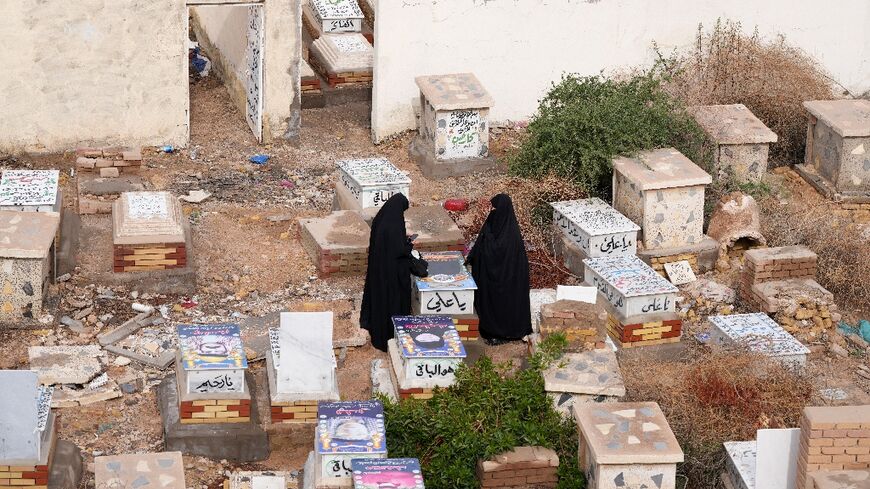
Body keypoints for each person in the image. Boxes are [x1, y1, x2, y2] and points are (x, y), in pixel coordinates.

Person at [360, 193, 426, 352]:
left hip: (378, 269)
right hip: (392, 273)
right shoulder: (395, 224)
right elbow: (399, 250)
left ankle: (378, 332)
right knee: (393, 302)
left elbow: (387, 242)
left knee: (380, 300)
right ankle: (389, 337)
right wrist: (410, 244)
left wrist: (402, 238)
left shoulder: (381, 219)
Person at [466, 194, 532, 345]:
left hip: (506, 281)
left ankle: (503, 332)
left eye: (495, 208)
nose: (493, 211)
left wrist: (486, 238)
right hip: (494, 280)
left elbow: (496, 253)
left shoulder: (510, 236)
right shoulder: (498, 225)